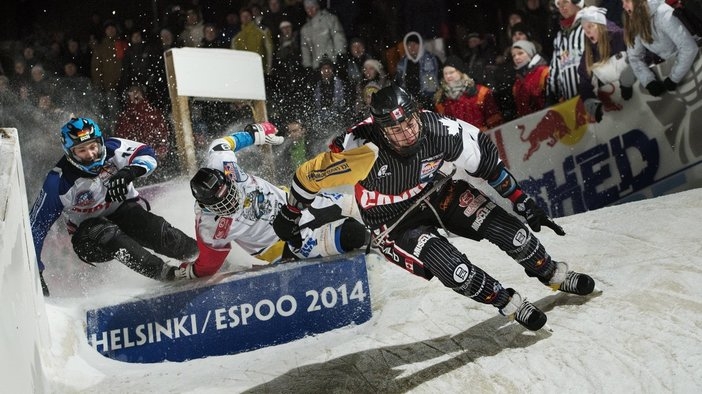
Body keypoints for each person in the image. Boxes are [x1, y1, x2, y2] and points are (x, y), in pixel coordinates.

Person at [272, 85, 596, 331]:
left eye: (410, 123)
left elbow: (488, 165)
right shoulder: (361, 151)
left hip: (438, 193)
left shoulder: (441, 130)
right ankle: (506, 301)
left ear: (417, 113)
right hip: (394, 223)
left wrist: (522, 203)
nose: (407, 133)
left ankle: (552, 273)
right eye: (395, 131)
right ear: (382, 130)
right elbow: (307, 176)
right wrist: (290, 213)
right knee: (456, 270)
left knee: (513, 234)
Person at [29, 117, 199, 296]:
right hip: (88, 239)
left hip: (124, 213)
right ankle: (165, 273)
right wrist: (36, 273)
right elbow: (36, 226)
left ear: (101, 142)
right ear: (70, 153)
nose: (91, 154)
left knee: (153, 228)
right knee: (103, 231)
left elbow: (147, 152)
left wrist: (131, 171)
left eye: (93, 146)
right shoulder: (57, 183)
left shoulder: (114, 148)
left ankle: (200, 255)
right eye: (82, 150)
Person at [176, 122, 368, 279]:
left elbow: (223, 143)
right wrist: (190, 271)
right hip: (281, 243)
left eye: (229, 191)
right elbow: (209, 264)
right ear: (207, 205)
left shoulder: (221, 161)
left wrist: (257, 133)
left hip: (292, 203)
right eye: (221, 202)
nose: (230, 200)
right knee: (354, 234)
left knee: (362, 207)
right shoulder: (208, 227)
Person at [622, 0, 698, 97]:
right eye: (622, 2)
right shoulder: (634, 20)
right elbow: (634, 57)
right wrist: (649, 81)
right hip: (674, 68)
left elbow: (689, 47)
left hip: (694, 64)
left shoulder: (662, 13)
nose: (623, 6)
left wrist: (674, 78)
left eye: (627, 1)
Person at [576, 6, 634, 121]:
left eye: (590, 26)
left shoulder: (621, 37)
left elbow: (643, 56)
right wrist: (592, 105)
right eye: (584, 28)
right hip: (618, 114)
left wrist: (629, 78)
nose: (587, 31)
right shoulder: (587, 56)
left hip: (640, 97)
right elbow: (584, 85)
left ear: (601, 25)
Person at [434, 56, 504, 131]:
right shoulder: (441, 100)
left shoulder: (480, 92)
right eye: (445, 73)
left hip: (482, 137)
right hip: (461, 141)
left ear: (460, 72)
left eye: (451, 72)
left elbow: (494, 119)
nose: (448, 76)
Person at [548, 0, 586, 103]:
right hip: (571, 104)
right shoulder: (559, 38)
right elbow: (555, 71)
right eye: (558, 4)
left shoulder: (591, 25)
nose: (562, 7)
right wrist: (551, 97)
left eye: (565, 2)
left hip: (595, 97)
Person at [394, 31, 441, 110]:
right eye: (409, 44)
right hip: (409, 104)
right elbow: (398, 82)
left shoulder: (432, 59)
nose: (412, 47)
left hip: (429, 101)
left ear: (421, 45)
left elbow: (440, 78)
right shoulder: (401, 64)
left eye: (415, 44)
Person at [511, 40, 550, 117]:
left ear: (530, 53)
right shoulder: (517, 82)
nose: (516, 57)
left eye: (520, 53)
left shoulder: (544, 72)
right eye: (513, 56)